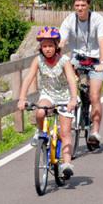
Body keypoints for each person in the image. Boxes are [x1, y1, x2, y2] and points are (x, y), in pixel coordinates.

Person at [18, 26, 78, 179]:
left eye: (50, 45)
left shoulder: (64, 61)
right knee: (39, 111)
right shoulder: (38, 61)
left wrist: (72, 99)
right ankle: (40, 133)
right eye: (44, 46)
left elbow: (71, 80)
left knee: (65, 133)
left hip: (64, 97)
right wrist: (22, 98)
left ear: (56, 45)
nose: (47, 49)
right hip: (48, 95)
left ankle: (66, 163)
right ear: (41, 47)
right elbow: (29, 78)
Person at [59, 0, 103, 148]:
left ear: (88, 5)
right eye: (77, 5)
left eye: (83, 5)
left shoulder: (97, 19)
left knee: (95, 96)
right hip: (78, 58)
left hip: (96, 59)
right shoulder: (69, 20)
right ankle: (80, 106)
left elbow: (102, 41)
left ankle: (95, 131)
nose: (80, 8)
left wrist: (102, 62)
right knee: (76, 90)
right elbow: (62, 39)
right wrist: (57, 53)